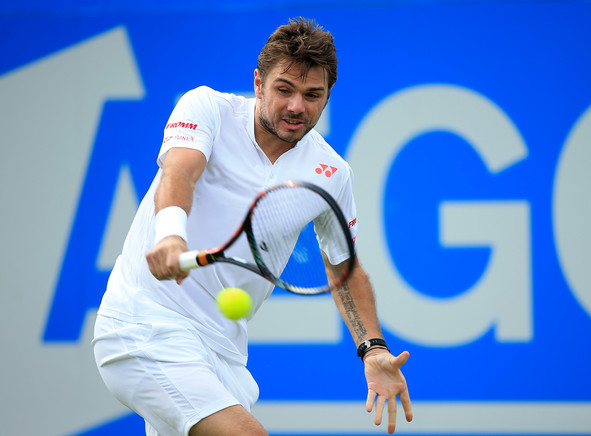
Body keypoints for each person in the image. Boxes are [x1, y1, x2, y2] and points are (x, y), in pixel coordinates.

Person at [92, 17, 412, 436]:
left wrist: (373, 349)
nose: (297, 106)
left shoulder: (332, 173)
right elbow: (180, 173)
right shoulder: (207, 108)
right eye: (285, 89)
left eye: (313, 94)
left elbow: (343, 268)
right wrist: (171, 233)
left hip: (223, 354)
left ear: (328, 95)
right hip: (144, 325)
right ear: (258, 83)